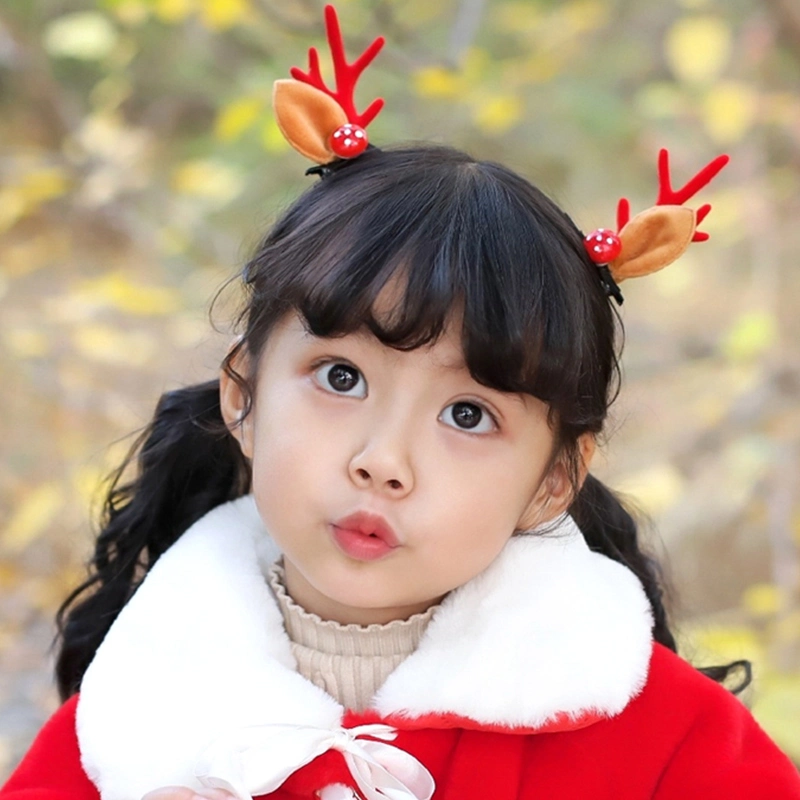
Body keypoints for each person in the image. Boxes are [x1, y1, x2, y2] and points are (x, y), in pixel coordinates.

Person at [3, 7, 799, 800]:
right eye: (341, 378)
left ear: (554, 479)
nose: (382, 462)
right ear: (242, 394)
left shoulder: (670, 744)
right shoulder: (126, 728)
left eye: (468, 415)